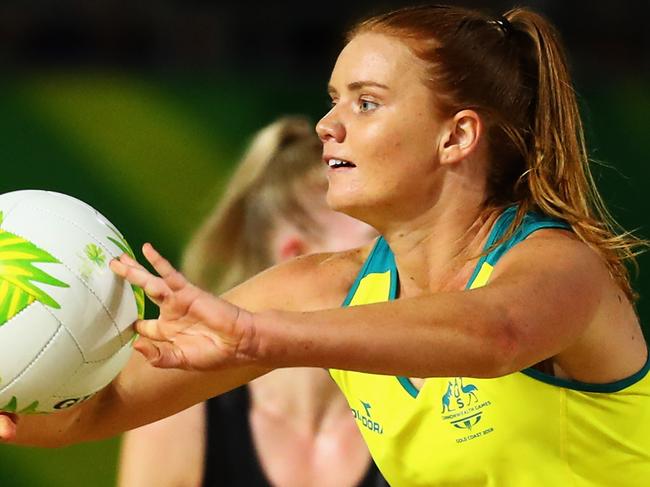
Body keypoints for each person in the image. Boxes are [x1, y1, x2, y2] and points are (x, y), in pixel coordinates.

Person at [2, 4, 649, 486]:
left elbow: (496, 335)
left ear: (456, 136)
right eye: (333, 99)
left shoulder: (563, 268)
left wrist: (262, 336)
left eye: (366, 103)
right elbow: (96, 411)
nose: (327, 125)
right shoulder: (321, 287)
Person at [116, 116, 384, 487]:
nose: (400, 259)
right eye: (374, 243)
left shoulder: (432, 398)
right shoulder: (182, 415)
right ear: (295, 258)